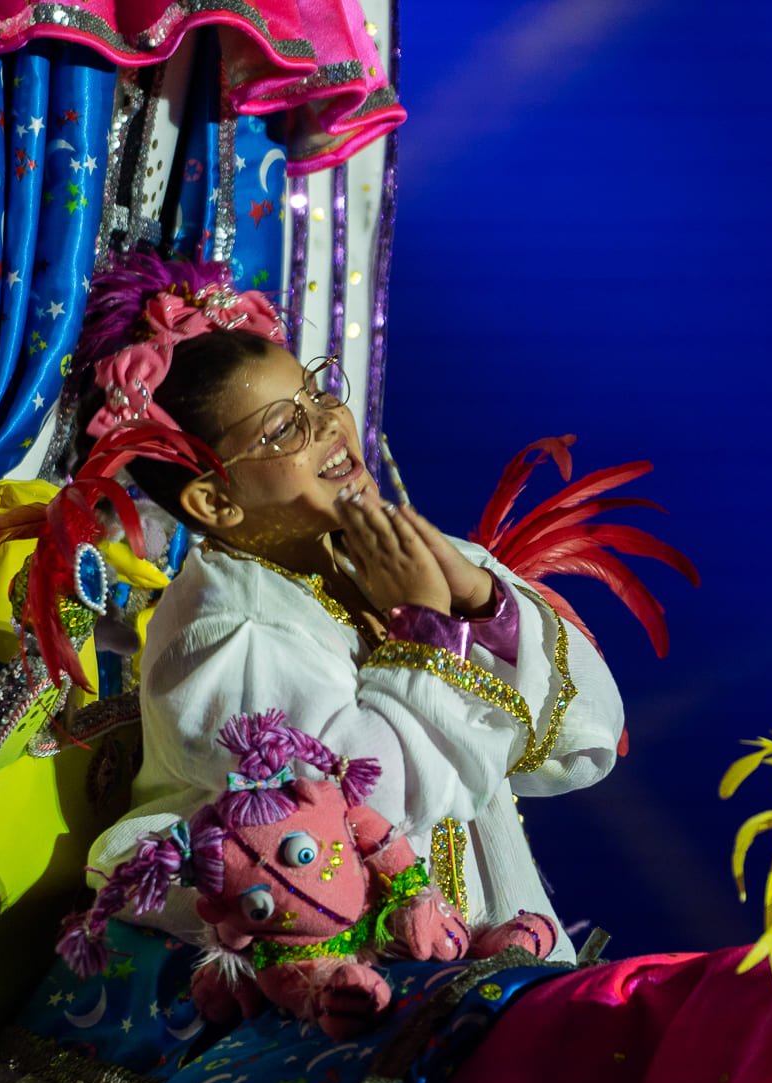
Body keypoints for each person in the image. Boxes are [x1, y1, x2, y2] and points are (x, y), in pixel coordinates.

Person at [75, 252, 623, 961]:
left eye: (317, 394)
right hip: (357, 999)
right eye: (282, 428)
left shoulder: (382, 560)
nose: (329, 424)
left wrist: (482, 603)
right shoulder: (221, 634)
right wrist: (426, 633)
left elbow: (583, 740)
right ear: (214, 499)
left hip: (492, 947)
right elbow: (358, 820)